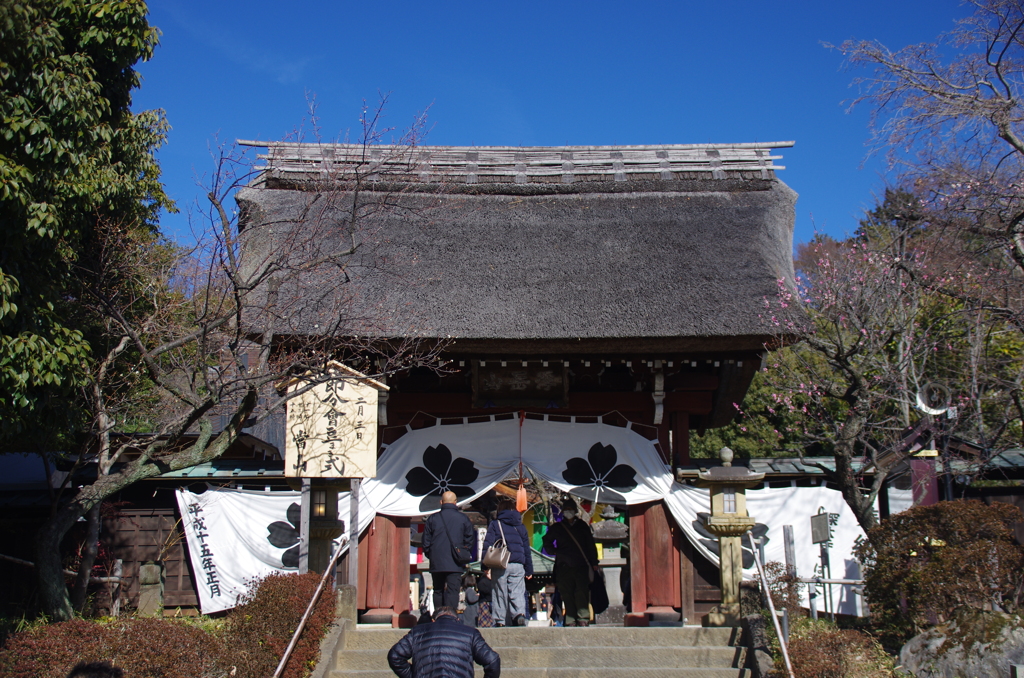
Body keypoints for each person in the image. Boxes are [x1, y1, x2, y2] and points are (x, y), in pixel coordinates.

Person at [388, 606, 501, 678]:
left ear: (433, 620)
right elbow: (493, 660)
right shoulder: (470, 633)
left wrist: (413, 675)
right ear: (457, 619)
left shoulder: (417, 632)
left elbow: (395, 656)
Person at [542, 497, 599, 626]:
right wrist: (554, 551)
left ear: (575, 511)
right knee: (566, 593)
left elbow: (590, 545)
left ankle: (583, 618)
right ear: (562, 511)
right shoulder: (558, 527)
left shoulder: (582, 526)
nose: (568, 512)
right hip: (564, 565)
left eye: (571, 509)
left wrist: (594, 562)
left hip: (581, 565)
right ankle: (570, 619)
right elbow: (547, 541)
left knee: (581, 592)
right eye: (566, 509)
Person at [481, 496, 533, 627]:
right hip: (518, 564)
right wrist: (529, 569)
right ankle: (519, 615)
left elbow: (487, 545)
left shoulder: (495, 524)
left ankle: (500, 620)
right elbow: (526, 548)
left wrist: (485, 566)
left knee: (500, 592)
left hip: (501, 563)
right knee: (517, 591)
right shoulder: (520, 526)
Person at [422, 490, 475, 611]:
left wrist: (431, 554)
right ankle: (450, 616)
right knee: (453, 591)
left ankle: (438, 615)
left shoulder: (433, 519)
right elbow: (469, 539)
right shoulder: (463, 519)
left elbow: (426, 541)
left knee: (438, 590)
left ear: (441, 502)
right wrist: (463, 551)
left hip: (437, 560)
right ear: (456, 502)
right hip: (455, 560)